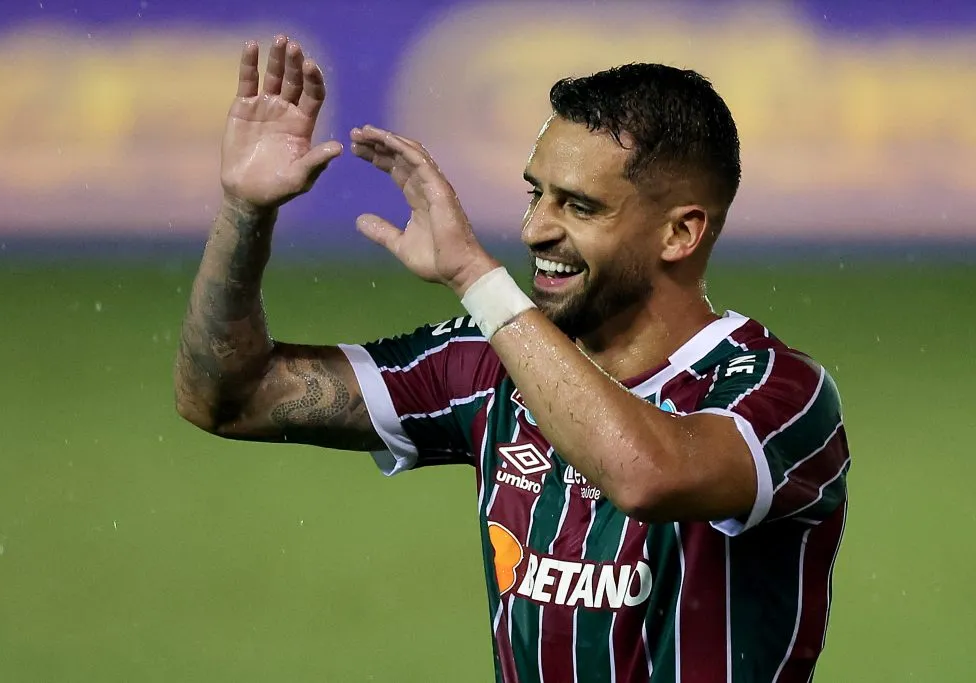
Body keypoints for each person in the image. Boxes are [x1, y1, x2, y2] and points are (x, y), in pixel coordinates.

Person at [174, 34, 850, 683]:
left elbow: (645, 474)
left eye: (579, 206)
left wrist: (474, 275)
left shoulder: (780, 395)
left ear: (679, 232)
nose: (534, 229)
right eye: (536, 194)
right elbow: (229, 396)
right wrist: (244, 212)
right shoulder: (486, 365)